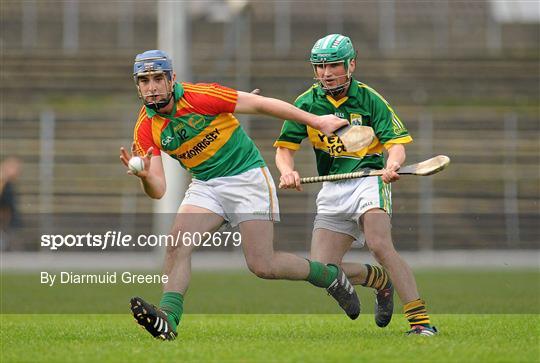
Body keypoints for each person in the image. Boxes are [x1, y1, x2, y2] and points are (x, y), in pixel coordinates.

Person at [120, 50, 360, 341]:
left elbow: (260, 105)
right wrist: (145, 177)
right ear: (138, 86)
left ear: (172, 79)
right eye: (144, 80)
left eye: (158, 78)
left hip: (247, 177)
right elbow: (158, 190)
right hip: (206, 183)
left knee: (263, 265)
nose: (152, 86)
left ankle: (330, 276)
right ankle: (169, 319)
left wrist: (317, 122)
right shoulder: (145, 126)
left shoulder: (200, 96)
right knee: (176, 244)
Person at [274, 34, 437, 336]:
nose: (326, 72)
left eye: (334, 65)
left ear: (351, 64)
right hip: (333, 188)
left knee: (379, 244)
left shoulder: (369, 98)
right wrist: (288, 171)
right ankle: (378, 281)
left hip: (369, 179)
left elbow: (397, 144)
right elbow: (284, 149)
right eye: (320, 66)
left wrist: (392, 165)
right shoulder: (306, 103)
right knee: (322, 270)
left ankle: (421, 322)